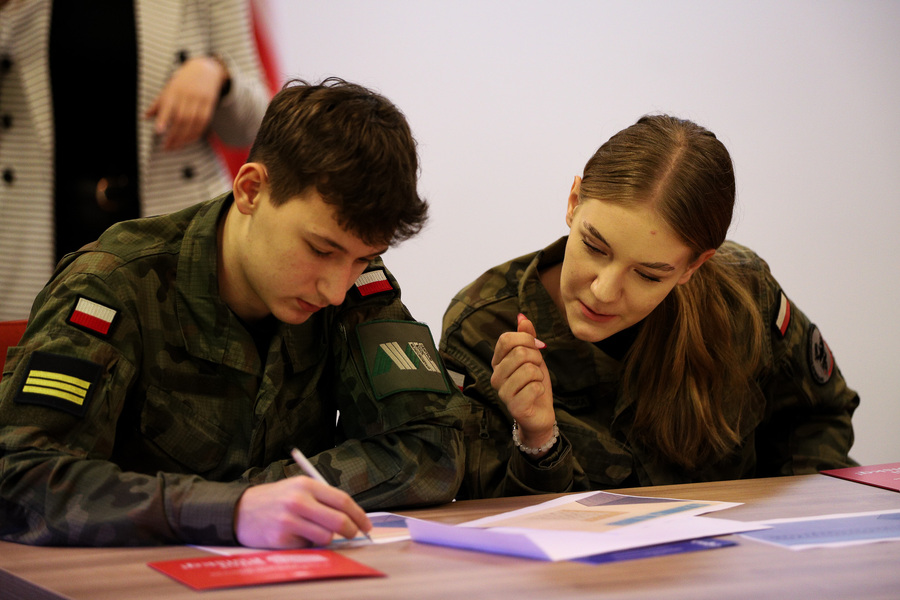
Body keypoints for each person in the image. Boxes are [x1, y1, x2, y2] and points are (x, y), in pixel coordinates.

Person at [0, 78, 467, 547]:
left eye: (363, 258)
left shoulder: (353, 280)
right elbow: (20, 481)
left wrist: (265, 497)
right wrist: (229, 509)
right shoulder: (113, 285)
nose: (336, 290)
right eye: (319, 249)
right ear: (251, 191)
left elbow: (432, 448)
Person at [440, 115, 858, 499]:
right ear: (573, 202)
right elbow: (488, 519)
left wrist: (787, 528)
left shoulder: (744, 296)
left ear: (693, 265)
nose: (604, 291)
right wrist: (538, 441)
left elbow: (818, 417)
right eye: (594, 246)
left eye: (649, 275)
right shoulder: (483, 327)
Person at [0, 0, 271, 320]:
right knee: (39, 363)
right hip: (31, 233)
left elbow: (254, 126)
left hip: (168, 225)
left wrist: (219, 75)